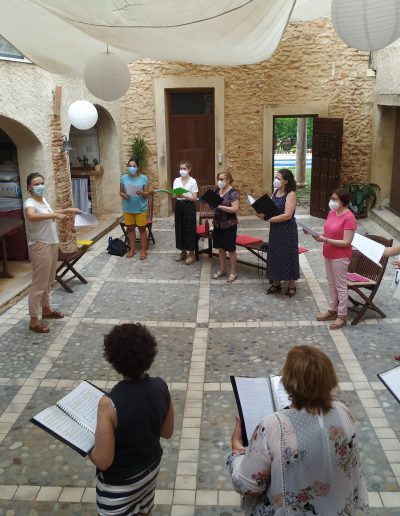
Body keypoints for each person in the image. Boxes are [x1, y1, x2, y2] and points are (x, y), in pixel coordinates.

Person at [227, 345, 368, 515]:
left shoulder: (272, 427)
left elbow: (248, 485)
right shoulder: (343, 411)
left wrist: (237, 449)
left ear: (288, 381)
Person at [89, 323, 174, 516]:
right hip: (150, 472)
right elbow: (167, 432)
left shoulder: (108, 405)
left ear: (113, 359)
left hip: (119, 486)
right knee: (145, 511)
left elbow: (103, 461)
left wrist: (86, 449)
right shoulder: (161, 386)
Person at [24, 173, 80, 333]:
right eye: (36, 184)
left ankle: (46, 309)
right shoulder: (29, 203)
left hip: (52, 243)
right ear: (29, 187)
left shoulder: (43, 200)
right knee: (39, 284)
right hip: (40, 245)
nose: (40, 186)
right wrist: (55, 215)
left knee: (48, 280)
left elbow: (49, 211)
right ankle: (34, 320)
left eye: (42, 183)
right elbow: (31, 215)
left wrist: (67, 210)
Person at [312, 188, 356, 330]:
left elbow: (346, 242)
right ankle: (332, 309)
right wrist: (318, 235)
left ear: (343, 201)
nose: (331, 201)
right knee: (331, 283)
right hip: (328, 253)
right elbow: (328, 232)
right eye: (331, 198)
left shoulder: (349, 217)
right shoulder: (332, 213)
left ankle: (342, 315)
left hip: (340, 256)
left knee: (340, 285)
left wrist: (325, 240)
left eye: (334, 199)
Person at [259, 169, 299, 297]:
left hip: (287, 229)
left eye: (279, 178)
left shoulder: (291, 194)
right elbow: (271, 210)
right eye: (276, 177)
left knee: (288, 255)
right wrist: (263, 214)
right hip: (275, 229)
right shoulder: (275, 192)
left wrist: (268, 219)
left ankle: (292, 285)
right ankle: (276, 283)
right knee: (275, 254)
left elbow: (287, 215)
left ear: (286, 181)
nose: (275, 180)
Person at [211, 172, 240, 283]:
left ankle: (233, 272)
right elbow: (213, 206)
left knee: (230, 248)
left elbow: (235, 209)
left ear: (228, 180)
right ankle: (222, 270)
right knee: (221, 248)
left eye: (222, 179)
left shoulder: (233, 192)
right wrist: (210, 203)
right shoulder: (217, 191)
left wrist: (220, 206)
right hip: (217, 223)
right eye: (219, 178)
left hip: (229, 224)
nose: (220, 181)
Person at [120, 158, 149, 259]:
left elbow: (147, 193)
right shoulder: (123, 178)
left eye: (134, 166)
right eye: (130, 166)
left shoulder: (144, 178)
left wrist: (141, 193)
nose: (132, 168)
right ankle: (132, 249)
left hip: (141, 209)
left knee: (142, 229)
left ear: (137, 167)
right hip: (128, 208)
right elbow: (121, 192)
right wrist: (124, 195)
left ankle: (144, 251)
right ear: (127, 167)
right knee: (130, 229)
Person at [173, 160, 198, 265]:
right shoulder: (176, 180)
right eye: (181, 168)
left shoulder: (193, 181)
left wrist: (185, 196)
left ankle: (191, 254)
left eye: (184, 168)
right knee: (179, 228)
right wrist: (174, 194)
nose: (182, 170)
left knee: (189, 229)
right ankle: (182, 252)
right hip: (179, 205)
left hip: (189, 206)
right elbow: (174, 194)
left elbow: (195, 198)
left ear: (189, 169)